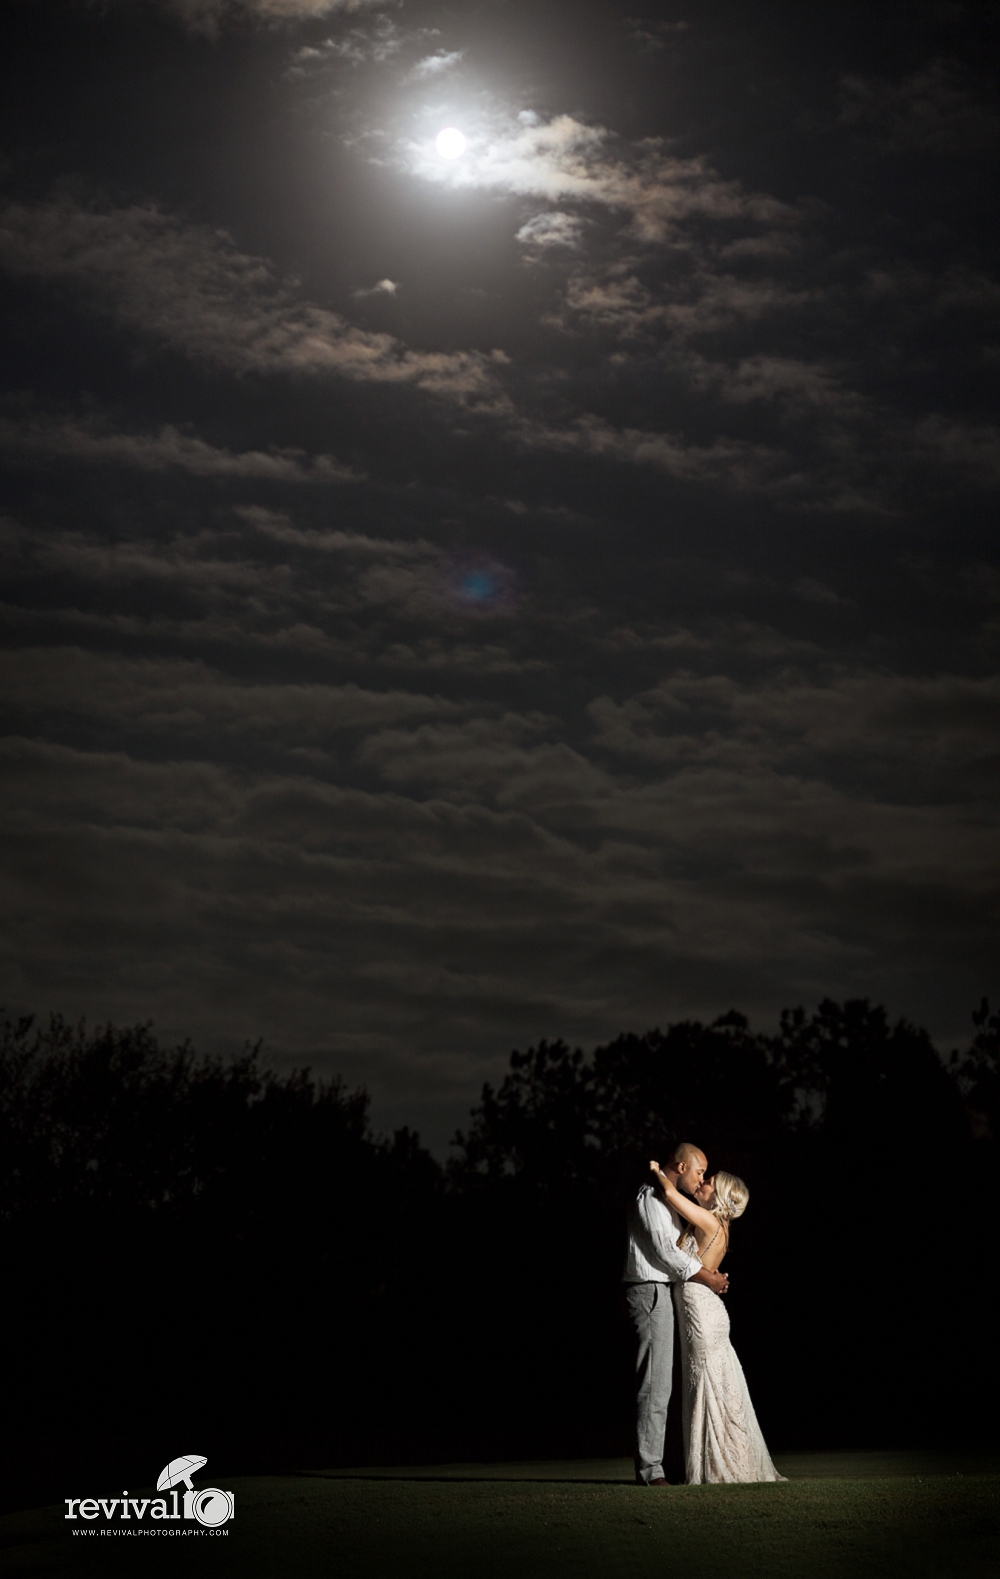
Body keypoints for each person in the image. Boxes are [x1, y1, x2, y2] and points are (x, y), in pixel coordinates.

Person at [649, 1159, 785, 1485]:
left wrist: (657, 1169)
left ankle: (718, 1467)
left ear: (719, 1195)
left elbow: (669, 1193)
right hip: (707, 1310)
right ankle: (729, 1462)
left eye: (709, 1180)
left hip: (700, 1311)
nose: (703, 1182)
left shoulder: (710, 1221)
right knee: (717, 1388)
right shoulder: (720, 1227)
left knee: (705, 1388)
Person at [623, 1142, 728, 1486]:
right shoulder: (650, 1200)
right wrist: (707, 1276)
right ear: (681, 1167)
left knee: (663, 1385)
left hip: (661, 1291)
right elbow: (667, 1253)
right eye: (699, 1172)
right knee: (654, 1383)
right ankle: (651, 1472)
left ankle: (663, 1465)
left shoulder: (667, 1202)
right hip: (649, 1290)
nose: (701, 1180)